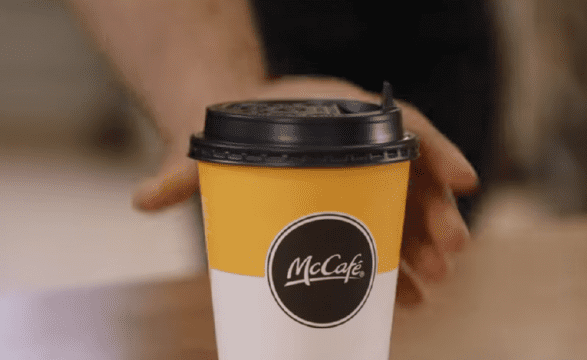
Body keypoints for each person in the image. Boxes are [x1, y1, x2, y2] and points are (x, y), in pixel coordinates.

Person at [68, 0, 479, 305]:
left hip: (440, 34)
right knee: (260, 298)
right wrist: (224, 103)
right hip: (252, 23)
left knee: (416, 272)